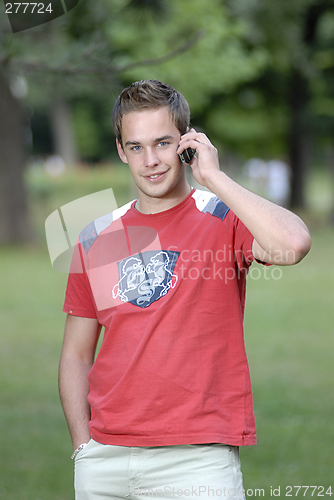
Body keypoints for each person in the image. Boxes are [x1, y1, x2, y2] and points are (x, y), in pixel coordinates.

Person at [59, 80, 311, 500]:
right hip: (105, 460)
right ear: (121, 150)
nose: (151, 160)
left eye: (162, 142)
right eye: (136, 147)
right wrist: (83, 447)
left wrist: (213, 176)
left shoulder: (222, 218)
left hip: (198, 460)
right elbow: (76, 353)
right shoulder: (96, 236)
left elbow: (294, 244)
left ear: (187, 143)